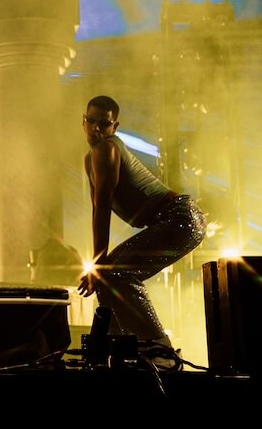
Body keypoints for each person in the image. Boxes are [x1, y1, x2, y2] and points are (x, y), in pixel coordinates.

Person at [76, 94, 207, 358]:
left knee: (114, 274)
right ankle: (118, 351)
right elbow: (96, 208)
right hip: (180, 219)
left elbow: (102, 210)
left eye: (104, 124)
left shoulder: (106, 149)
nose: (96, 129)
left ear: (115, 127)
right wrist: (99, 267)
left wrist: (98, 264)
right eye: (91, 122)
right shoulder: (90, 158)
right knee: (108, 277)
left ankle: (161, 350)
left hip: (180, 218)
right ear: (83, 121)